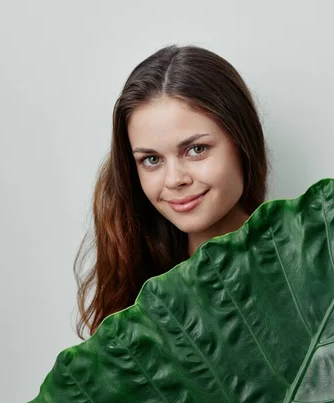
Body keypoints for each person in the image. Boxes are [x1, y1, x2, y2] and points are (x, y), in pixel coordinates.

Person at [73, 44, 271, 339]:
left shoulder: (308, 267)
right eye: (151, 160)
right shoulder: (137, 285)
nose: (174, 179)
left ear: (243, 142)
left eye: (196, 149)